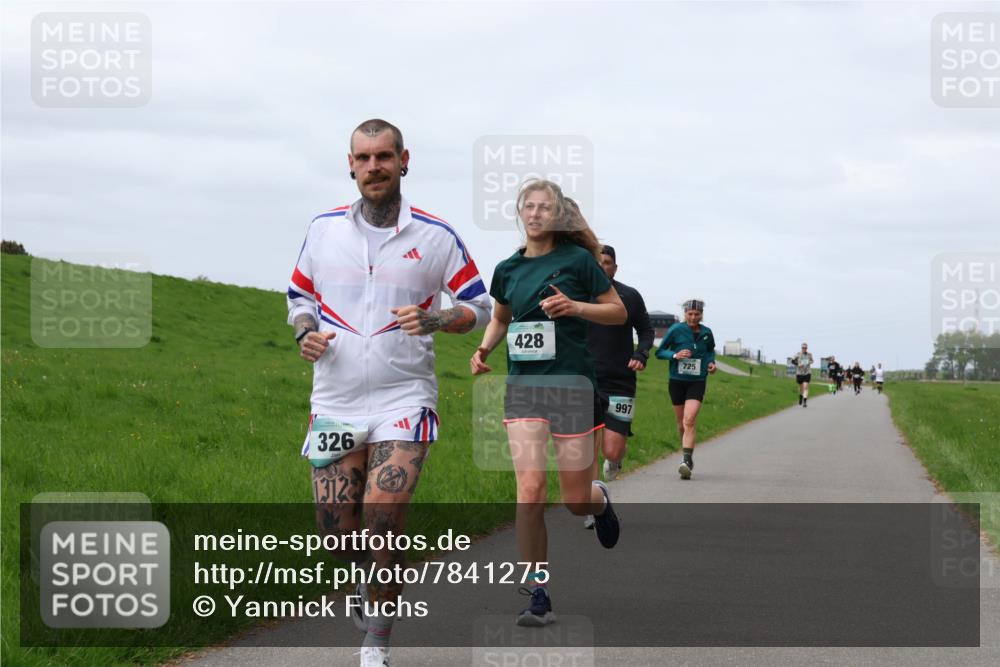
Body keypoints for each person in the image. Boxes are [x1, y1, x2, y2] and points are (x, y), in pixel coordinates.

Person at [287, 119, 491, 667]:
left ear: (404, 160)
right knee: (336, 531)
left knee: (384, 512)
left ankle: (376, 638)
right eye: (364, 157)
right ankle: (365, 584)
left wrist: (436, 318)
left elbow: (481, 308)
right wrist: (306, 333)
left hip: (405, 397)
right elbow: (298, 297)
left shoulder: (436, 236)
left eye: (384, 156)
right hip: (335, 398)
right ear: (349, 165)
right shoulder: (324, 229)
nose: (374, 166)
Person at [470, 179, 626, 626]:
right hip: (524, 390)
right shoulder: (507, 269)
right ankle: (537, 591)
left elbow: (615, 311)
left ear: (557, 215)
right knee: (531, 491)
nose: (536, 214)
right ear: (520, 213)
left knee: (575, 499)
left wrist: (576, 307)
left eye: (545, 208)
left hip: (572, 390)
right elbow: (502, 316)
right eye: (529, 207)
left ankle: (600, 503)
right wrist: (484, 350)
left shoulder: (579, 261)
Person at [580, 244, 653, 529]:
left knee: (612, 450)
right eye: (597, 262)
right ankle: (592, 507)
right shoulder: (579, 295)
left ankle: (616, 463)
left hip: (621, 380)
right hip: (587, 380)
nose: (602, 266)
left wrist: (640, 354)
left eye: (607, 262)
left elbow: (646, 330)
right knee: (589, 448)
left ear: (615, 267)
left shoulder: (629, 296)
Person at [654, 300, 717, 479]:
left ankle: (687, 460)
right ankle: (685, 454)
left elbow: (710, 351)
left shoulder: (706, 333)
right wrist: (675, 355)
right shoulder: (675, 330)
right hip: (677, 380)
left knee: (689, 420)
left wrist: (711, 364)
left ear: (701, 315)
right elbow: (659, 352)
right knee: (681, 423)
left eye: (697, 314)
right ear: (685, 314)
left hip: (697, 381)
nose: (693, 317)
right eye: (690, 314)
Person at [791, 343, 814, 407]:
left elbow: (812, 361)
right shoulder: (798, 354)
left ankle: (805, 402)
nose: (804, 349)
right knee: (801, 388)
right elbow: (792, 361)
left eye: (805, 348)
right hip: (799, 373)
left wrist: (809, 362)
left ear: (807, 348)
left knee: (806, 387)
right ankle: (801, 396)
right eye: (803, 348)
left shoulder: (809, 354)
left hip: (807, 372)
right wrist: (798, 364)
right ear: (801, 348)